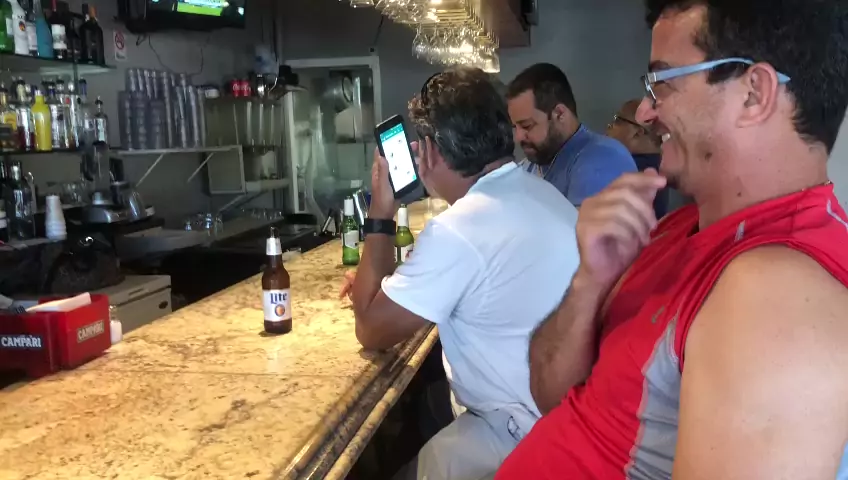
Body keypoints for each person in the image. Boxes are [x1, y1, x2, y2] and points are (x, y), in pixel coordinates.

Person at [496, 0, 848, 478]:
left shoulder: (780, 300)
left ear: (754, 94)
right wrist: (589, 282)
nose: (645, 111)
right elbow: (552, 397)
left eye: (662, 84)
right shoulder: (675, 227)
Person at [345, 67, 580, 480]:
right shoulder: (540, 191)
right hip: (567, 419)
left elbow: (370, 329)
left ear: (431, 152)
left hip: (519, 434)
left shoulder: (459, 229)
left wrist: (380, 212)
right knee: (426, 408)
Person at [506, 63, 637, 206]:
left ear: (559, 114)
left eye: (527, 126)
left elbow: (581, 221)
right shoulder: (532, 163)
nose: (518, 137)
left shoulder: (602, 160)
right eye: (514, 127)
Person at [606, 99, 671, 218]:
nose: (609, 125)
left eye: (617, 120)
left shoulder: (629, 169)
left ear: (638, 132)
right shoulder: (661, 166)